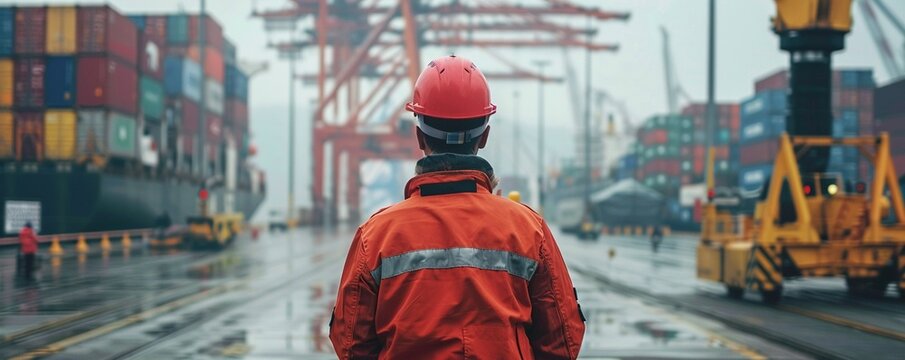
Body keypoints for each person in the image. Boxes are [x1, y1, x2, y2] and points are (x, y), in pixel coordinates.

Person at [329, 55, 586, 359]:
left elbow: (350, 343)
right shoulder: (529, 230)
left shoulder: (376, 236)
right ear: (485, 136)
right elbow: (562, 341)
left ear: (419, 136)